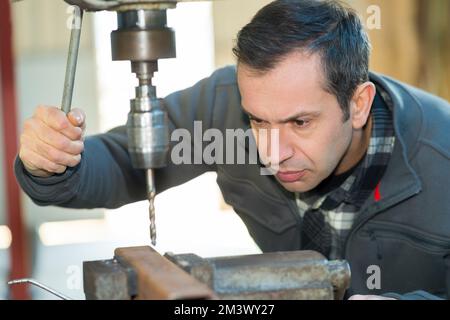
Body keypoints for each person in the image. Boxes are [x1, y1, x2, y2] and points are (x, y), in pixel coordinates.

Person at [14, 0, 450, 300]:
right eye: (258, 121)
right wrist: (52, 162)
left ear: (358, 104)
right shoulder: (224, 105)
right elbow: (118, 163)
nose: (273, 152)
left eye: (300, 122)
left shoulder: (441, 156)